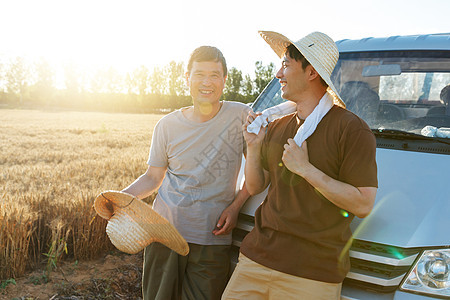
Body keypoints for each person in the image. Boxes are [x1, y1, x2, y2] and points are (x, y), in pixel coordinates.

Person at [222, 31, 378, 299]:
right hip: (255, 260)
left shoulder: (352, 130)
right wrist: (254, 145)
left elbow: (363, 204)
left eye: (286, 65)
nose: (277, 74)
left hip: (312, 275)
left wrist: (306, 170)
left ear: (312, 73)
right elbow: (258, 185)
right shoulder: (277, 125)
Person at [122, 46, 251, 300]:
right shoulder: (167, 126)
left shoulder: (241, 115)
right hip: (164, 234)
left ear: (225, 80)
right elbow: (153, 178)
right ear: (187, 78)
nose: (206, 82)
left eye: (214, 75)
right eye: (199, 74)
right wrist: (120, 198)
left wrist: (236, 207)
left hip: (212, 239)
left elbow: (259, 171)